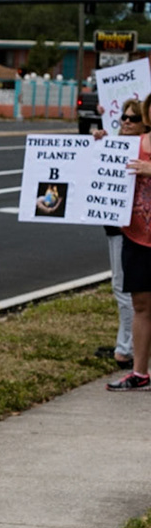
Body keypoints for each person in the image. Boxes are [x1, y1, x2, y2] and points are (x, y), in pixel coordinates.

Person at [96, 99, 145, 373]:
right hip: (116, 226)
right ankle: (126, 345)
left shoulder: (143, 150)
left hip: (130, 229)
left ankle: (125, 350)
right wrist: (99, 139)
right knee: (127, 289)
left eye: (133, 118)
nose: (126, 121)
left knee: (125, 289)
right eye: (123, 118)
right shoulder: (117, 144)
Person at [110, 100, 151, 391]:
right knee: (141, 304)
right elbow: (104, 163)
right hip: (137, 234)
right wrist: (100, 143)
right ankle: (139, 372)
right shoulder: (133, 143)